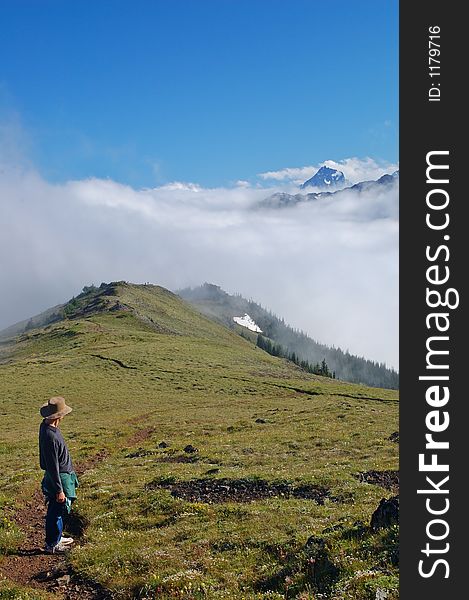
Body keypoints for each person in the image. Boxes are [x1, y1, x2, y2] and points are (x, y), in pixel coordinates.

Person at [39, 396, 79, 554]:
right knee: (56, 510)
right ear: (59, 416)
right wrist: (59, 489)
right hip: (59, 477)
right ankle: (52, 543)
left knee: (57, 509)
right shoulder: (51, 437)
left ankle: (57, 537)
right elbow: (52, 466)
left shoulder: (46, 427)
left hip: (59, 475)